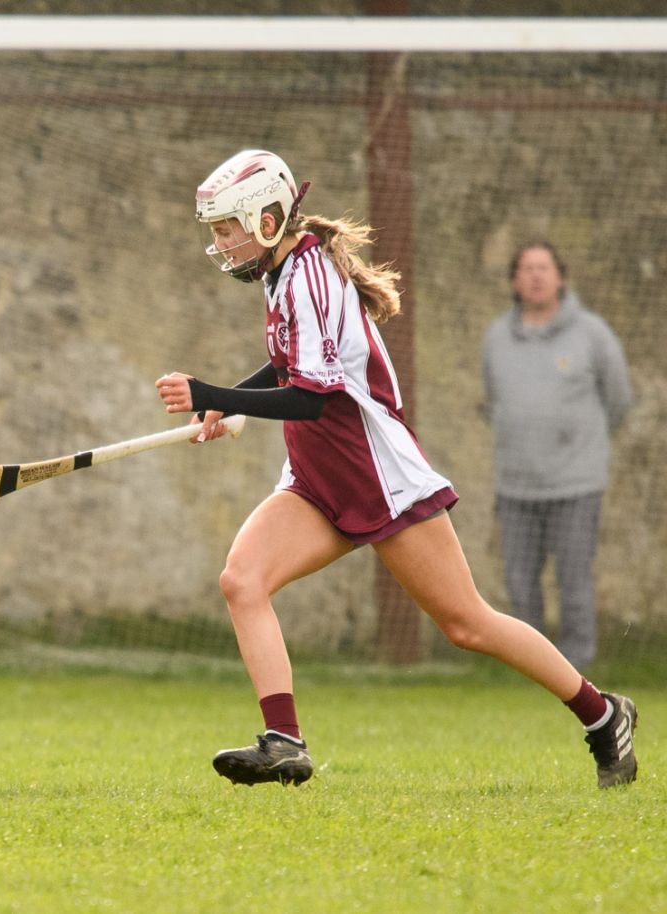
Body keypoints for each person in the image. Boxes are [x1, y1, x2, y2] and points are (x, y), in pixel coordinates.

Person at [154, 149, 638, 789]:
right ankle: (284, 741)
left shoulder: (311, 276)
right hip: (316, 478)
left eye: (225, 228)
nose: (219, 243)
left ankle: (604, 716)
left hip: (375, 475)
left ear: (266, 218)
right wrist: (222, 402)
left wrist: (210, 392)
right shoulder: (281, 274)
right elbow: (292, 366)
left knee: (467, 623)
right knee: (242, 579)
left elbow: (316, 396)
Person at [481, 242, 632, 670]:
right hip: (516, 488)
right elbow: (495, 400)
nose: (535, 276)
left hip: (576, 486)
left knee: (574, 581)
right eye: (526, 269)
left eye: (543, 268)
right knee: (519, 582)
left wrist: (581, 446)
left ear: (560, 278)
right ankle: (533, 669)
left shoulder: (592, 333)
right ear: (514, 281)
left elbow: (618, 399)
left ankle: (577, 670)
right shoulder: (496, 338)